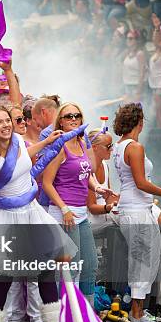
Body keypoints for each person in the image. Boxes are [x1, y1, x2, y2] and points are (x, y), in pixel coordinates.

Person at [0, 106, 73, 322]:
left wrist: (46, 143)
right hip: (6, 216)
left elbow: (24, 157)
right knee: (5, 272)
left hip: (31, 211)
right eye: (0, 122)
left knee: (45, 265)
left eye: (8, 120)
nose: (6, 125)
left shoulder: (17, 140)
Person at [113, 103, 161, 322]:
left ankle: (138, 311)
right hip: (136, 211)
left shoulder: (118, 145)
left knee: (141, 260)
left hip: (131, 208)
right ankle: (137, 314)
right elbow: (141, 183)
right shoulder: (135, 147)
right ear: (140, 122)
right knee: (145, 262)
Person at [42, 103, 99, 306]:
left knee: (90, 265)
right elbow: (47, 183)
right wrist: (64, 209)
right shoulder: (60, 146)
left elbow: (86, 172)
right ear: (61, 122)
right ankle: (67, 317)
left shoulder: (82, 143)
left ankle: (88, 314)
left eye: (77, 115)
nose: (73, 119)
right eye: (68, 116)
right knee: (71, 268)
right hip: (63, 212)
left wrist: (97, 188)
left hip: (80, 213)